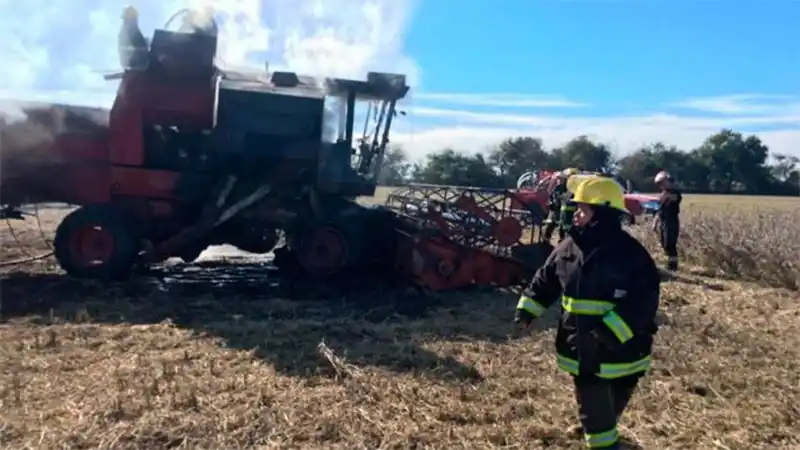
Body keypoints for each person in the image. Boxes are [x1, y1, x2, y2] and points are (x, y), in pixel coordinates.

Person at [515, 176, 661, 450]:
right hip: (583, 347)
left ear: (603, 214)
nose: (576, 215)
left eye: (582, 210)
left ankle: (598, 426)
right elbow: (545, 280)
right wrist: (528, 310)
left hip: (625, 349)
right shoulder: (568, 248)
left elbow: (644, 301)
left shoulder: (630, 254)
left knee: (613, 400)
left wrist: (609, 331)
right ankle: (603, 442)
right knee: (595, 408)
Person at [652, 170, 682, 271]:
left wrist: (666, 195)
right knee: (664, 243)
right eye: (659, 184)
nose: (661, 186)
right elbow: (659, 210)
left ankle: (673, 267)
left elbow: (676, 198)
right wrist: (655, 222)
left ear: (668, 181)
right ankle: (670, 263)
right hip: (663, 221)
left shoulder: (675, 192)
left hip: (671, 221)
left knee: (670, 244)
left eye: (662, 183)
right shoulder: (662, 194)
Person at [543, 168, 579, 242]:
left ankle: (563, 242)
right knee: (550, 226)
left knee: (564, 229)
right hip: (556, 211)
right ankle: (546, 241)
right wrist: (551, 203)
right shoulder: (559, 187)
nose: (561, 180)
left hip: (568, 215)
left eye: (563, 178)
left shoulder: (576, 190)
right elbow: (552, 196)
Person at [118, 5, 149, 70]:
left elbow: (139, 43)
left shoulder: (135, 31)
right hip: (135, 67)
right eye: (134, 18)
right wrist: (142, 49)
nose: (136, 20)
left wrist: (146, 42)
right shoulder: (124, 33)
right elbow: (124, 51)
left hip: (141, 65)